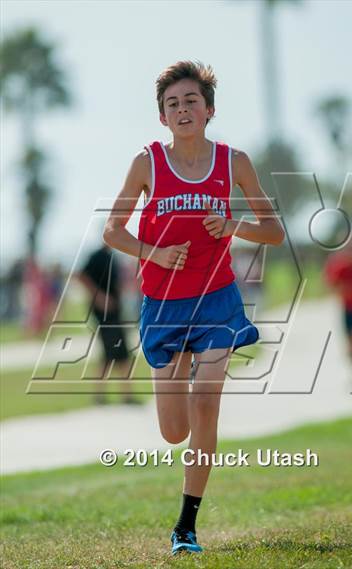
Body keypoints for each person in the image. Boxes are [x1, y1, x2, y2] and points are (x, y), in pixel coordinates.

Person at [103, 61, 284, 555]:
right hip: (162, 304)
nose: (182, 110)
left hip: (217, 300)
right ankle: (175, 383)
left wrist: (232, 226)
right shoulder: (146, 164)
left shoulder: (234, 162)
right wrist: (154, 253)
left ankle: (186, 526)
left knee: (206, 403)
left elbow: (274, 231)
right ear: (162, 117)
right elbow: (112, 232)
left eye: (190, 101)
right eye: (172, 104)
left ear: (209, 110)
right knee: (173, 431)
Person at [78, 244, 137, 405]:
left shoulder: (113, 257)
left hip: (114, 311)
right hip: (104, 314)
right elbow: (81, 276)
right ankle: (123, 395)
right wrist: (100, 297)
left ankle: (107, 394)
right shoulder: (97, 255)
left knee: (112, 354)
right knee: (119, 353)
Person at [325, 240, 352, 370]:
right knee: (349, 340)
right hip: (346, 309)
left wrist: (351, 289)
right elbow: (331, 284)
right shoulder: (341, 267)